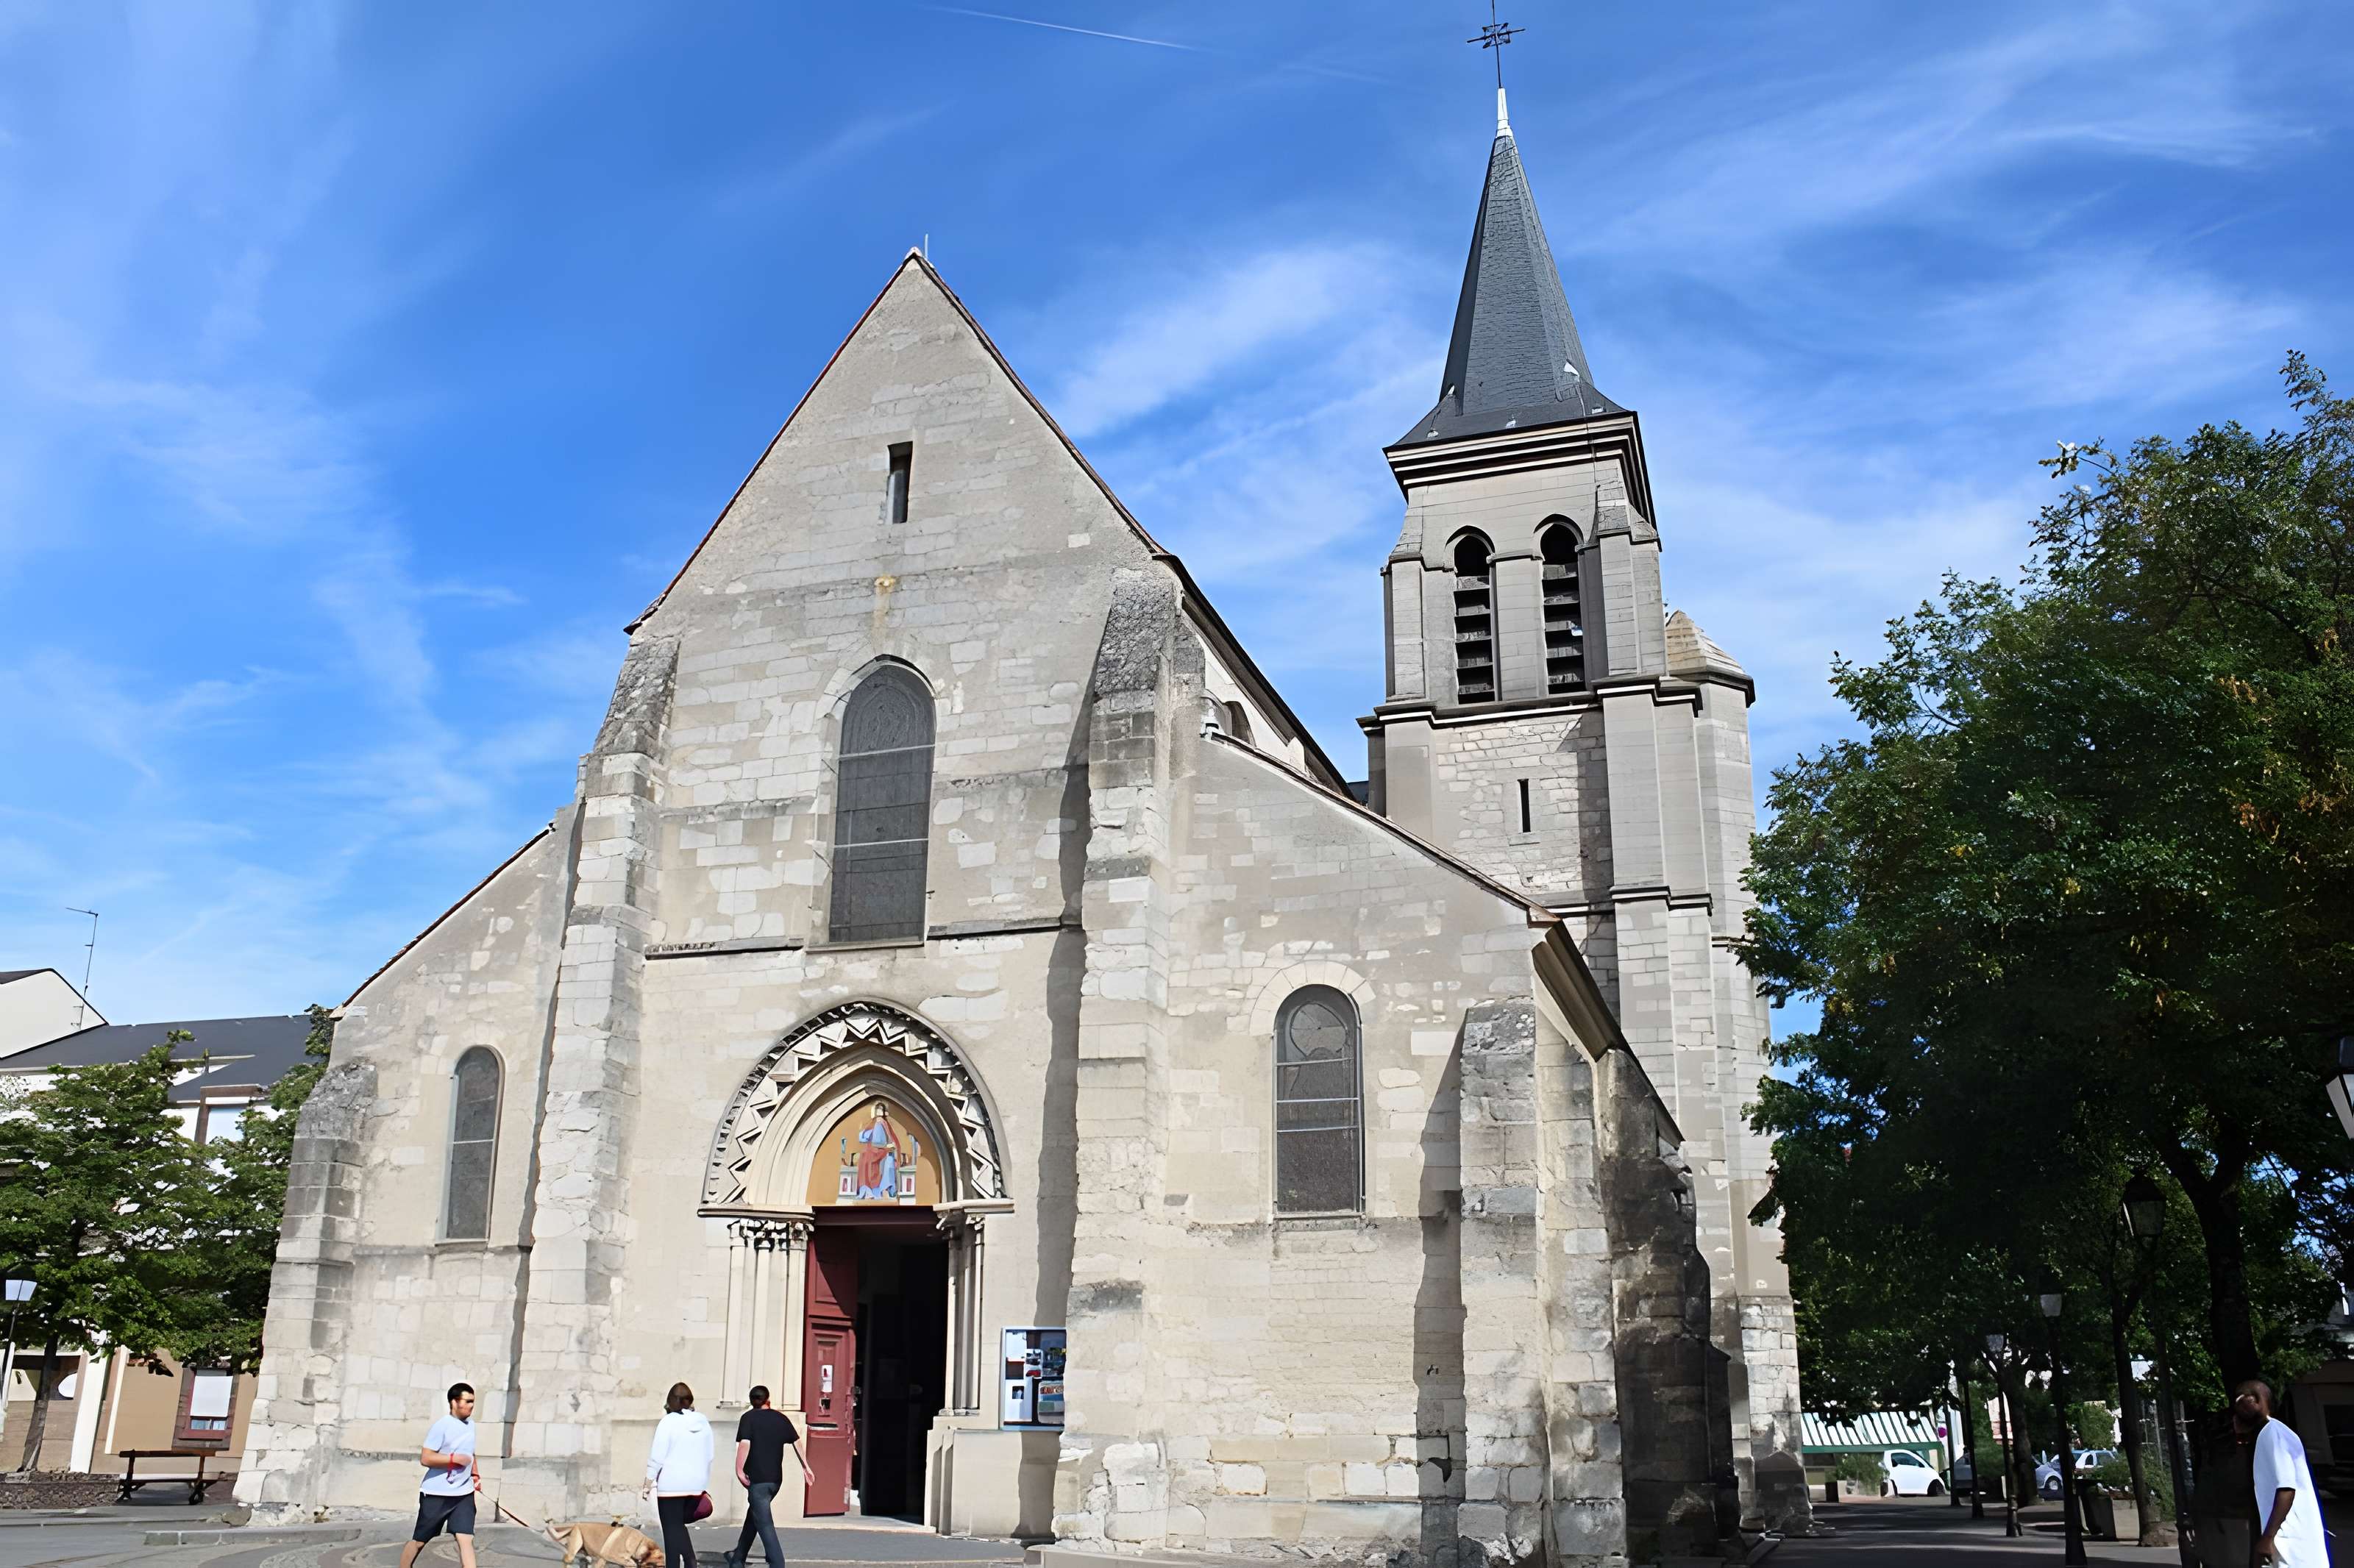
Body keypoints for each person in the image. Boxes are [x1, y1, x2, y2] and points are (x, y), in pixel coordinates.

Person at [2233, 1380, 2328, 1568]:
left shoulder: (2272, 1435)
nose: (2236, 1413)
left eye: (2240, 1403)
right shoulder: (2274, 1432)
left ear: (2255, 1402)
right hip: (2289, 1542)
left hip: (2288, 1544)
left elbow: (2286, 1489)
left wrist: (2267, 1539)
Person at [725, 1384, 815, 1568]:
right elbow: (796, 1441)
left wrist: (739, 1470)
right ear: (768, 1400)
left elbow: (745, 1444)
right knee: (755, 1516)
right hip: (775, 1481)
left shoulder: (748, 1418)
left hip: (757, 1481)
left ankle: (777, 1562)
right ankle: (738, 1559)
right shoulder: (780, 1418)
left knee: (765, 1525)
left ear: (752, 1402)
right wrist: (806, 1467)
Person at [399, 1382, 481, 1568]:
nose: (471, 1406)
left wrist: (475, 1474)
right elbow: (426, 1458)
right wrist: (453, 1459)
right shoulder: (442, 1427)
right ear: (454, 1402)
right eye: (467, 1401)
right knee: (420, 1541)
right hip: (437, 1494)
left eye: (473, 1402)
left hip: (463, 1495)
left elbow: (470, 1452)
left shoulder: (471, 1425)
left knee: (465, 1538)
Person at [646, 1381, 715, 1568]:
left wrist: (648, 1482)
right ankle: (691, 1563)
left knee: (671, 1532)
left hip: (670, 1487)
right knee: (678, 1527)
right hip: (694, 1485)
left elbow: (657, 1456)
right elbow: (709, 1455)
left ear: (670, 1402)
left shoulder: (667, 1422)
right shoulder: (702, 1421)